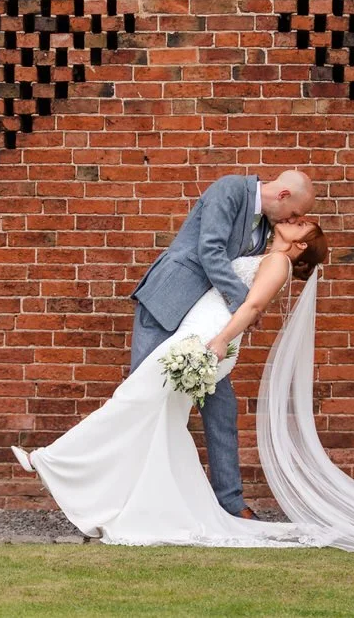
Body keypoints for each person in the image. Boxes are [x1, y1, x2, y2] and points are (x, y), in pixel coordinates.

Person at [11, 217, 334, 547]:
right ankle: (158, 508)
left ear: (302, 244)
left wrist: (221, 341)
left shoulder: (279, 261)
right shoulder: (266, 254)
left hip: (205, 341)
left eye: (301, 224)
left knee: (132, 400)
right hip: (196, 333)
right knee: (161, 421)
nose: (293, 219)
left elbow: (252, 306)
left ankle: (49, 461)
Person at [127, 169, 315, 519]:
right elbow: (210, 250)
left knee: (222, 408)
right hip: (167, 304)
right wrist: (243, 303)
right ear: (284, 194)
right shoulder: (229, 190)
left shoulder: (267, 229)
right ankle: (129, 499)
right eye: (294, 215)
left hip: (205, 327)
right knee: (141, 399)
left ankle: (230, 502)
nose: (293, 220)